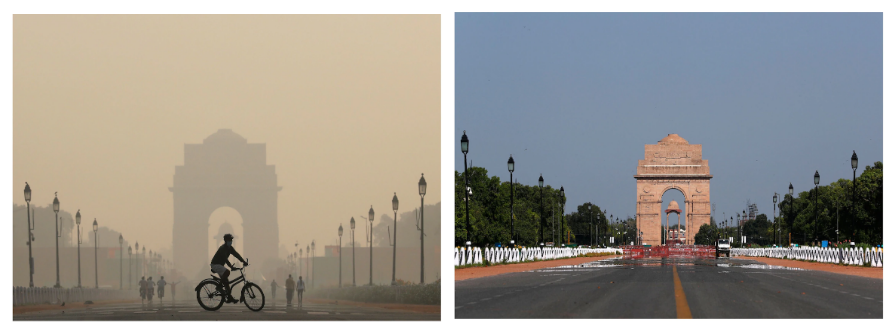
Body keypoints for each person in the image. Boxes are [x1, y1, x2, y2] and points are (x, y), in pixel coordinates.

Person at [210, 233, 247, 303]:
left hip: (220, 265)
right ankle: (219, 287)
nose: (231, 241)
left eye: (231, 240)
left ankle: (230, 298)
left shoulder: (230, 248)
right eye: (229, 240)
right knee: (227, 272)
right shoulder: (222, 248)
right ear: (226, 240)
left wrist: (243, 261)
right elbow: (225, 259)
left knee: (226, 282)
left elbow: (236, 255)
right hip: (215, 264)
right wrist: (231, 266)